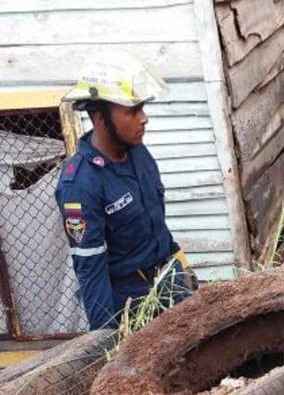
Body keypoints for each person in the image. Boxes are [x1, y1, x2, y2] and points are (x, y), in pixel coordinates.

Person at [55, 53, 193, 330]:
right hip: (133, 305)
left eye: (141, 108)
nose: (144, 119)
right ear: (99, 117)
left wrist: (184, 270)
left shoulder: (138, 153)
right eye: (132, 111)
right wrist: (107, 344)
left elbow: (158, 227)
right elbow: (91, 272)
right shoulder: (80, 185)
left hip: (170, 283)